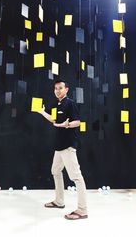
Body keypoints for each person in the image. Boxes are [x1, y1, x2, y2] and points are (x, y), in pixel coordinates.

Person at [38, 79, 88, 220]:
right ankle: (59, 201)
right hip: (59, 146)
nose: (57, 91)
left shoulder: (70, 103)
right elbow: (54, 121)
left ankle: (82, 210)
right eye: (55, 88)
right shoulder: (57, 104)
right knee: (55, 171)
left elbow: (77, 122)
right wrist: (42, 112)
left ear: (66, 89)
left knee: (76, 177)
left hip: (68, 145)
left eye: (60, 88)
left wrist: (67, 125)